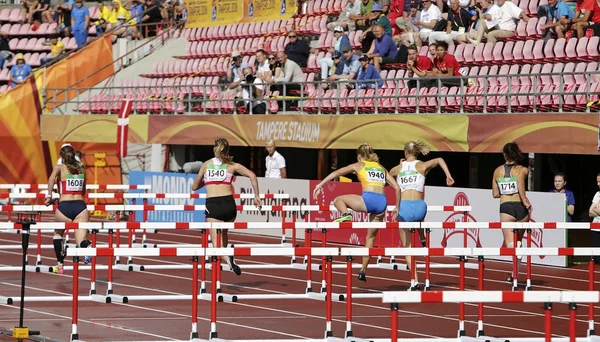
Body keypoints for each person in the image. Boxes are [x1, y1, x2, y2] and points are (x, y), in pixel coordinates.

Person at [312, 143, 401, 283]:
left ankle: (346, 214)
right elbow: (396, 187)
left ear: (360, 156)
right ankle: (363, 270)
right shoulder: (381, 168)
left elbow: (337, 172)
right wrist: (397, 207)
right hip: (382, 203)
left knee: (338, 200)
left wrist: (320, 184)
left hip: (368, 200)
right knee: (370, 238)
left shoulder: (359, 165)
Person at [389, 141, 454, 291]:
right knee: (417, 219)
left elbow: (385, 177)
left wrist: (400, 167)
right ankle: (422, 236)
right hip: (420, 207)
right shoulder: (422, 166)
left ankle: (415, 282)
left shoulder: (397, 169)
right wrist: (448, 176)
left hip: (404, 208)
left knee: (408, 247)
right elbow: (439, 160)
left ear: (405, 153)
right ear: (417, 152)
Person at [192, 138, 262, 276]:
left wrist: (207, 181)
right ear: (227, 150)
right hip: (230, 206)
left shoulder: (206, 165)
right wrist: (256, 196)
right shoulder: (233, 165)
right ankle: (224, 258)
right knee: (223, 233)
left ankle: (227, 258)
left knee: (216, 246)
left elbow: (194, 187)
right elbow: (252, 175)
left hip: (214, 206)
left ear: (214, 149)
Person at [44, 144, 92, 274]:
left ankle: (59, 265)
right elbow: (83, 191)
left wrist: (49, 195)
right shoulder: (82, 168)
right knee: (80, 240)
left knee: (58, 233)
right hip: (81, 208)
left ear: (62, 156)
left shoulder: (59, 168)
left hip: (64, 206)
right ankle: (86, 246)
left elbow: (51, 179)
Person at [491, 142, 531, 284]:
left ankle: (515, 273)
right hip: (522, 208)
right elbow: (520, 180)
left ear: (505, 155)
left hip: (506, 207)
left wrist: (506, 190)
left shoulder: (497, 171)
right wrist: (524, 200)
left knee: (510, 243)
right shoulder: (524, 170)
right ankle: (516, 275)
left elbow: (495, 194)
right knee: (518, 242)